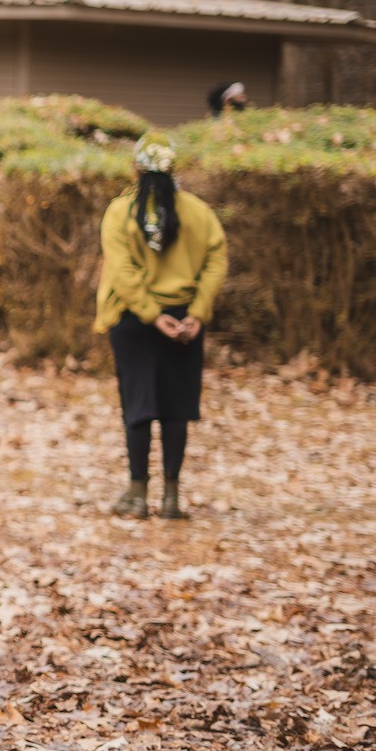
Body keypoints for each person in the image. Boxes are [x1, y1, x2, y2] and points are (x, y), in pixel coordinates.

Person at [94, 134, 227, 521]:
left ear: (135, 167)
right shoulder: (198, 212)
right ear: (173, 168)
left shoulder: (120, 212)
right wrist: (197, 312)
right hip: (185, 320)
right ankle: (171, 498)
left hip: (134, 321)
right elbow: (216, 260)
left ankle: (137, 495)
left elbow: (120, 270)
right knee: (175, 409)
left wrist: (152, 315)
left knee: (138, 407)